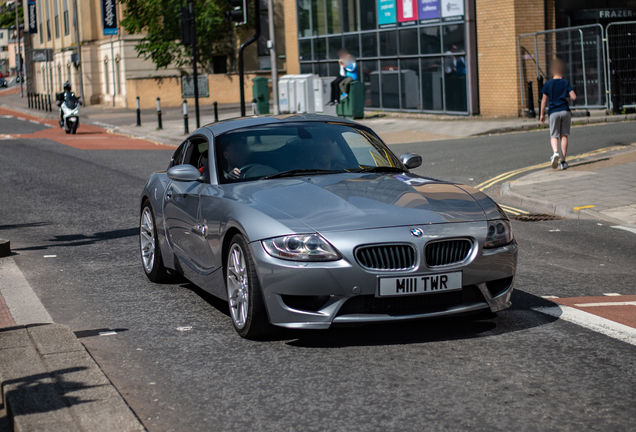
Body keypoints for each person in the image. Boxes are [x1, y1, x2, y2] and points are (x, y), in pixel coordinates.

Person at [540, 58, 576, 170]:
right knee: (564, 135)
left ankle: (555, 153)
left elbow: (544, 100)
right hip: (565, 111)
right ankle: (563, 161)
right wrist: (567, 95)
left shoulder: (548, 84)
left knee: (554, 135)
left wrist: (542, 114)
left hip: (553, 112)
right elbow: (574, 96)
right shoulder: (566, 83)